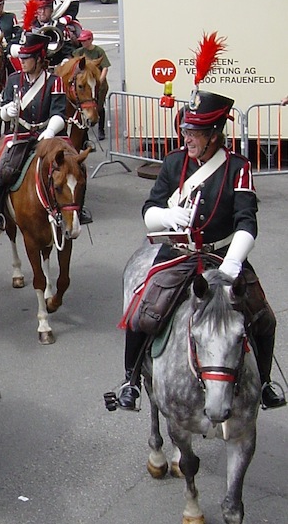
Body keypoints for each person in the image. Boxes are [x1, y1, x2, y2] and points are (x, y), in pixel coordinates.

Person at [115, 89, 284, 411]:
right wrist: (165, 215)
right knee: (142, 313)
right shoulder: (174, 162)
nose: (187, 137)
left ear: (215, 134)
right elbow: (149, 208)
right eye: (186, 130)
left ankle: (264, 383)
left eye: (195, 132)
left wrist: (233, 263)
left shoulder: (238, 168)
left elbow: (247, 223)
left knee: (263, 317)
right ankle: (131, 380)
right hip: (178, 254)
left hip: (223, 256)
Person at [0, 31, 68, 231]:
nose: (21, 61)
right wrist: (6, 111)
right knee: (0, 168)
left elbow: (59, 113)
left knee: (74, 167)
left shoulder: (53, 81)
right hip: (20, 134)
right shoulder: (13, 80)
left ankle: (77, 208)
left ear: (39, 59)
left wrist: (49, 131)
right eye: (20, 57)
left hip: (47, 134)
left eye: (26, 58)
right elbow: (2, 110)